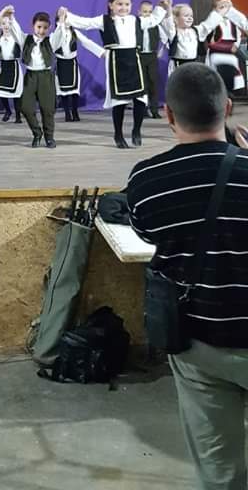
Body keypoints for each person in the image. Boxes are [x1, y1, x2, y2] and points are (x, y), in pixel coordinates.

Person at [126, 63, 248, 490]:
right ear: (228, 108)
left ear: (168, 115)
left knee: (220, 470)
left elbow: (144, 231)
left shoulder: (147, 180)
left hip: (200, 343)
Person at [61, 0, 170, 149]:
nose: (123, 7)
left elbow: (153, 20)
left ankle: (136, 130)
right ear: (111, 5)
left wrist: (161, 7)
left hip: (134, 60)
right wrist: (67, 15)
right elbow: (86, 23)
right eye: (119, 4)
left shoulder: (135, 20)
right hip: (116, 61)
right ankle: (118, 134)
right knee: (119, 101)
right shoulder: (103, 20)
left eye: (127, 4)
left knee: (140, 99)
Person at [11, 11, 64, 148]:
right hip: (31, 76)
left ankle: (49, 137)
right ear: (33, 26)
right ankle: (37, 132)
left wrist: (62, 20)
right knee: (25, 107)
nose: (41, 31)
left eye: (45, 28)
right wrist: (11, 16)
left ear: (49, 28)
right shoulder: (26, 39)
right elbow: (15, 30)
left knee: (48, 109)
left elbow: (59, 34)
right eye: (39, 27)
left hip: (46, 76)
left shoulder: (50, 41)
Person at [53, 14, 104, 122]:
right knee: (62, 91)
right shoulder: (55, 34)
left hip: (72, 63)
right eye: (62, 19)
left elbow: (86, 42)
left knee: (75, 91)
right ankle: (67, 113)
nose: (65, 21)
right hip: (61, 64)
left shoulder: (74, 32)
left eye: (66, 18)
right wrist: (61, 27)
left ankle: (75, 112)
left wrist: (101, 52)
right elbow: (53, 45)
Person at [160, 2, 223, 73]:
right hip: (178, 65)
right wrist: (168, 7)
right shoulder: (173, 32)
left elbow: (208, 24)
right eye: (186, 15)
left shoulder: (195, 31)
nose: (190, 18)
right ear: (176, 18)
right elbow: (169, 23)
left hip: (193, 64)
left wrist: (219, 12)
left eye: (191, 16)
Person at [0, 5, 24, 124]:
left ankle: (18, 115)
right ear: (0, 26)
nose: (6, 26)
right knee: (0, 91)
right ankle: (8, 110)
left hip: (14, 66)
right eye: (3, 23)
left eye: (8, 23)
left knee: (16, 93)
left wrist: (12, 17)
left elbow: (17, 30)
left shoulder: (16, 38)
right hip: (3, 66)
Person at [138, 0, 163, 118]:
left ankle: (154, 109)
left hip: (152, 56)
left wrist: (161, 50)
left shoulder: (155, 25)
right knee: (142, 83)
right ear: (139, 12)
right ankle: (142, 109)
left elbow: (164, 38)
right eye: (144, 11)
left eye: (149, 12)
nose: (147, 14)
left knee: (153, 82)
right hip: (140, 55)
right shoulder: (136, 25)